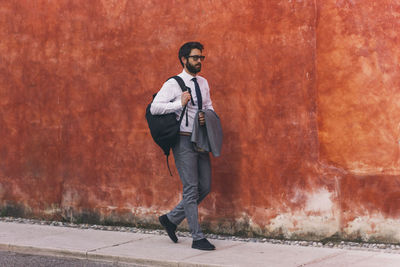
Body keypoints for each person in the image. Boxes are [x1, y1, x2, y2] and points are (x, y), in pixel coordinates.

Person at [150, 42, 216, 251]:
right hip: (183, 140)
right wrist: (179, 103)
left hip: (201, 139)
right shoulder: (173, 83)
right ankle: (197, 238)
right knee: (191, 188)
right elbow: (155, 108)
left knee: (204, 186)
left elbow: (208, 105)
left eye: (201, 58)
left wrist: (207, 115)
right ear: (184, 59)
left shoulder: (203, 82)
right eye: (196, 58)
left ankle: (171, 219)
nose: (199, 61)